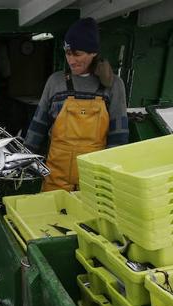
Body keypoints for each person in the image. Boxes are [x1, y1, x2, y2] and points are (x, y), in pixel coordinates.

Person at [23, 17, 128, 192]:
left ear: (93, 52)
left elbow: (119, 134)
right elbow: (38, 125)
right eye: (68, 53)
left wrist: (109, 176)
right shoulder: (55, 81)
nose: (71, 60)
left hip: (93, 179)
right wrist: (25, 158)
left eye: (77, 54)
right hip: (55, 176)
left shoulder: (114, 85)